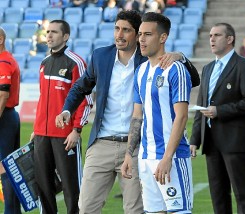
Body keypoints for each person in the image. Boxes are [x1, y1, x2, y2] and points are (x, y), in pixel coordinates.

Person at [55, 10, 199, 214]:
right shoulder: (101, 56)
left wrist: (181, 57)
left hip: (138, 146)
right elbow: (81, 87)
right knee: (86, 207)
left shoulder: (149, 60)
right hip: (102, 142)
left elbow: (191, 80)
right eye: (116, 29)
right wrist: (67, 110)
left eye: (126, 30)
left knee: (135, 210)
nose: (119, 35)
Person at [121, 12, 193, 213]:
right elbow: (137, 116)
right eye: (140, 34)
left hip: (172, 158)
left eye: (147, 34)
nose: (141, 39)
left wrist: (167, 157)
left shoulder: (176, 70)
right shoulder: (141, 71)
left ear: (163, 38)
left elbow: (182, 116)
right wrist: (129, 155)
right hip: (145, 158)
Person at [190, 23, 245, 213]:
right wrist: (195, 140)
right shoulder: (207, 68)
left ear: (230, 39)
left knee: (243, 194)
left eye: (217, 35)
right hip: (211, 142)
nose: (211, 39)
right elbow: (201, 106)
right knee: (218, 195)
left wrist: (219, 111)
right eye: (211, 35)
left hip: (235, 141)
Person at [31, 20, 93, 214]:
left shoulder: (76, 62)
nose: (49, 35)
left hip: (65, 136)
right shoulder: (44, 63)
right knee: (43, 185)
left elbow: (85, 98)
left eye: (54, 32)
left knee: (70, 186)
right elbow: (43, 99)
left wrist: (76, 129)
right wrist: (36, 129)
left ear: (65, 37)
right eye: (48, 32)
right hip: (42, 134)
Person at [0, 27, 22, 214]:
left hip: (4, 117)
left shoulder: (4, 61)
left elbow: (2, 95)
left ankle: (10, 210)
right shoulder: (5, 59)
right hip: (8, 116)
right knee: (9, 165)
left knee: (5, 167)